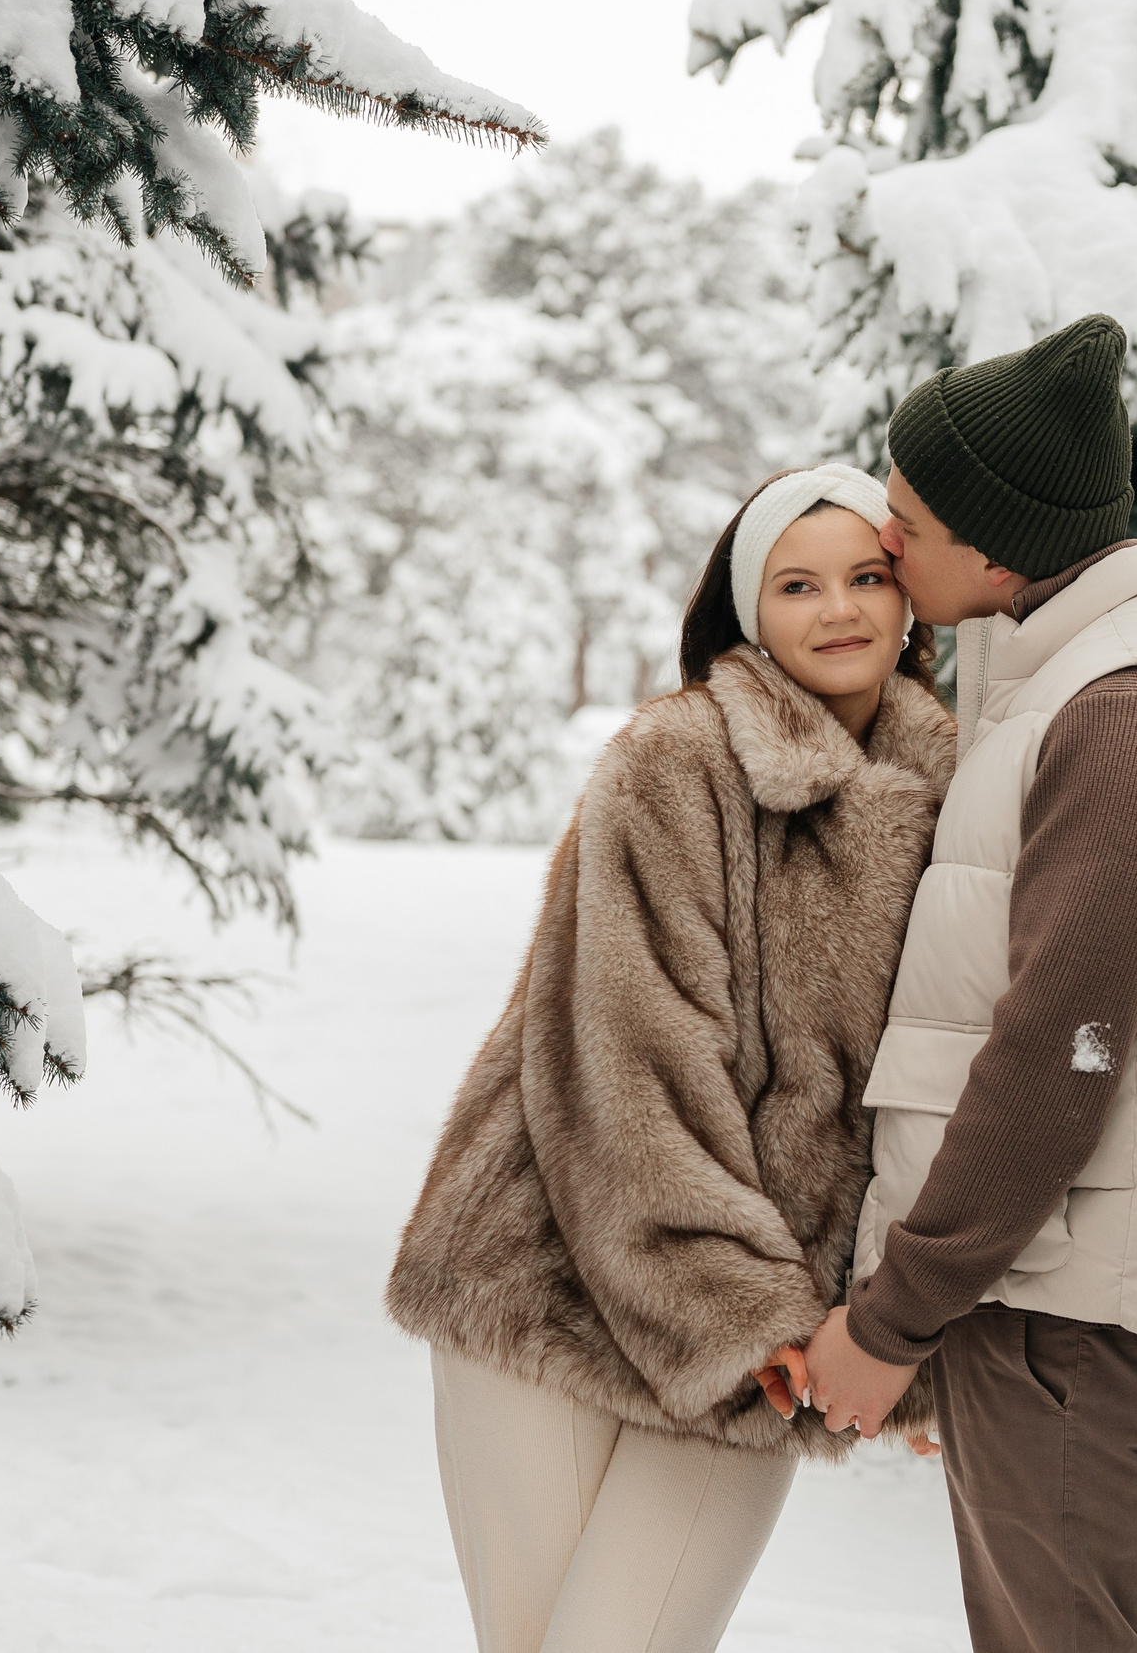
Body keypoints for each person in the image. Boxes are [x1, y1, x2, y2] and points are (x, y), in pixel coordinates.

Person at [798, 315, 1137, 1652]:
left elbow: (1056, 1051)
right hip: (1051, 1299)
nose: (885, 540)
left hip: (1078, 1313)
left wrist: (895, 1317)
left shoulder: (1132, 711)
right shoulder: (1064, 674)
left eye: (908, 517)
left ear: (1001, 541)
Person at [385, 464, 953, 1653]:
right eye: (798, 584)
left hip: (761, 1335)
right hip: (543, 1278)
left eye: (865, 576)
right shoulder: (678, 761)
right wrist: (747, 1313)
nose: (839, 608)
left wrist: (899, 1329)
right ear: (746, 611)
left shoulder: (957, 794)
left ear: (911, 602)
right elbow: (634, 1061)